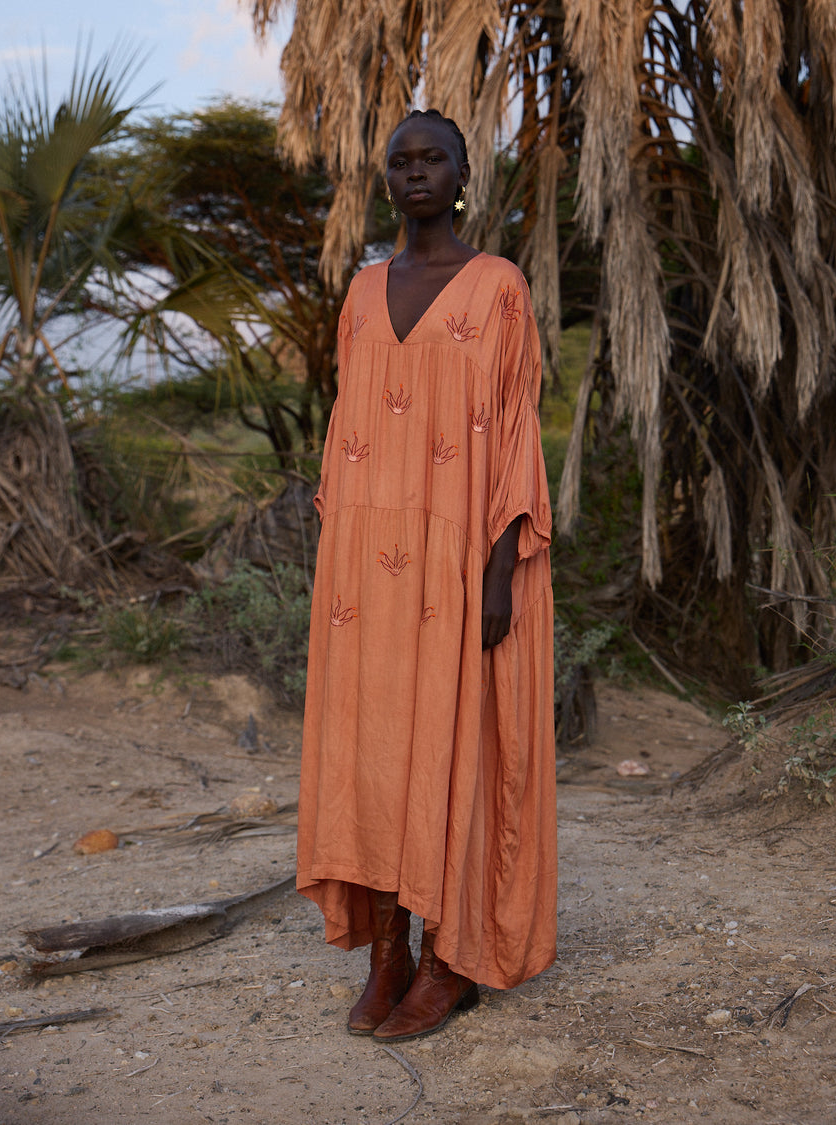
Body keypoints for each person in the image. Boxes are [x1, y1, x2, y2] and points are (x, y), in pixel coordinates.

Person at [296, 108, 556, 1043]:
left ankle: (450, 961)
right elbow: (346, 427)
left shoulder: (498, 288)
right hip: (366, 572)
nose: (414, 173)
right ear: (388, 178)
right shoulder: (364, 290)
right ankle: (387, 950)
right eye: (399, 160)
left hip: (459, 563)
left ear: (461, 173)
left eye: (431, 158)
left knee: (452, 748)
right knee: (373, 751)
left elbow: (517, 429)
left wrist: (498, 575)